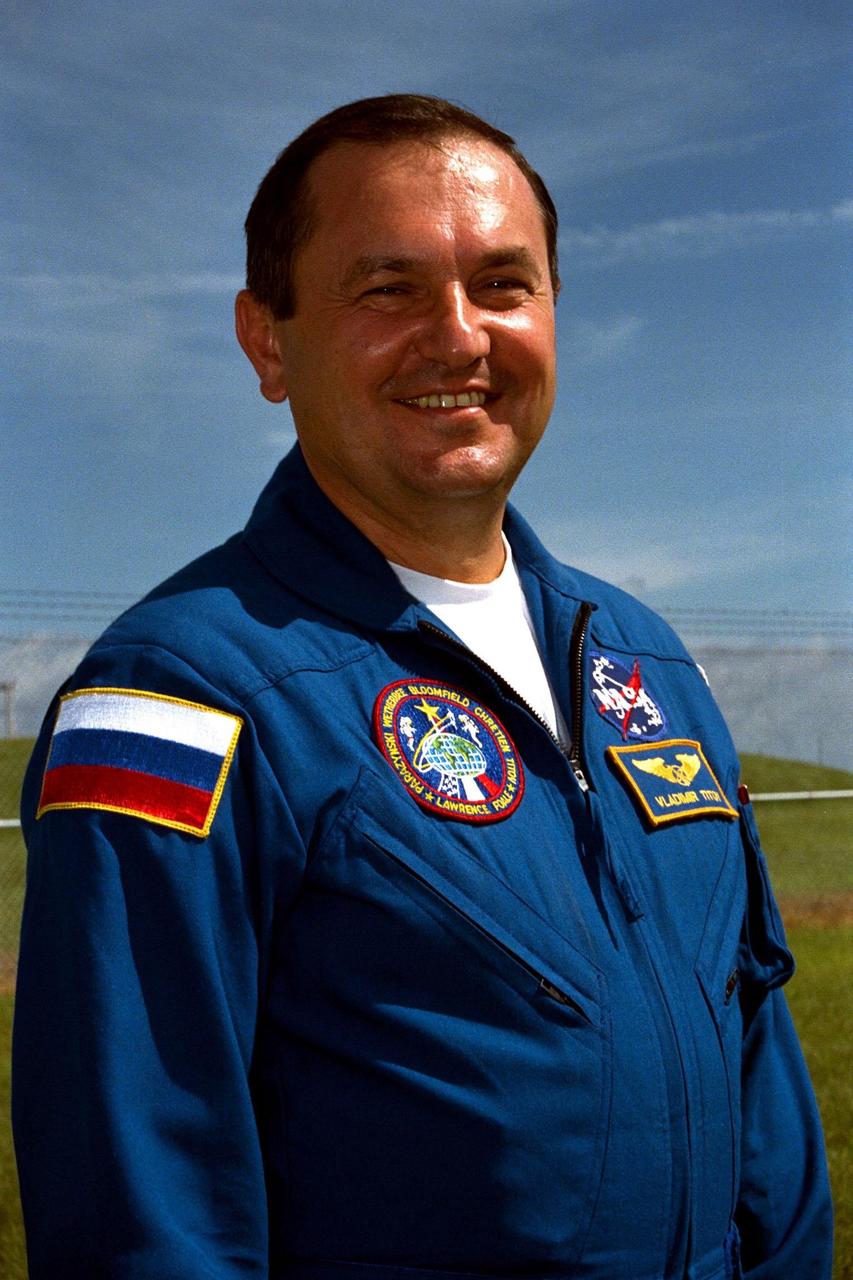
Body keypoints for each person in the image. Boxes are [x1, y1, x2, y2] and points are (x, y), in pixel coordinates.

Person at [13, 94, 832, 1280]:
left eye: (503, 284)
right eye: (387, 288)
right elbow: (141, 1214)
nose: (458, 337)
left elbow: (760, 1085)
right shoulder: (177, 697)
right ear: (267, 341)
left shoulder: (646, 664)